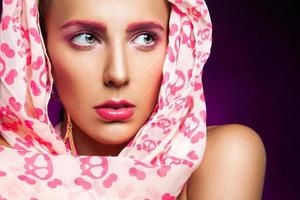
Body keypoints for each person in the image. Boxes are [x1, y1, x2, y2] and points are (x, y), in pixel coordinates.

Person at [0, 0, 266, 199]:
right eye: (86, 38)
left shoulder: (220, 157)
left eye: (145, 38)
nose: (118, 73)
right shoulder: (8, 168)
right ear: (39, 51)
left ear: (177, 46)